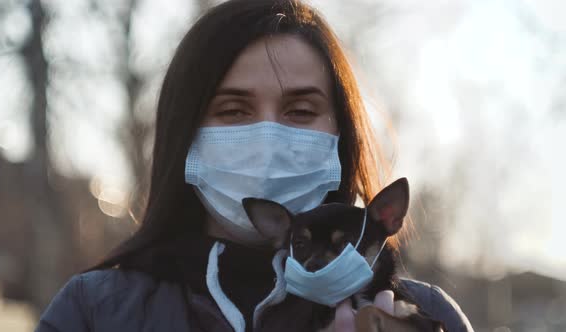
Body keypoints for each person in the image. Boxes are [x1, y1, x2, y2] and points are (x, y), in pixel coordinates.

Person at [35, 0, 473, 331]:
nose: (269, 138)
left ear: (342, 138)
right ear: (184, 133)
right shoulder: (96, 312)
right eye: (233, 111)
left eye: (300, 111)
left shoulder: (423, 317)